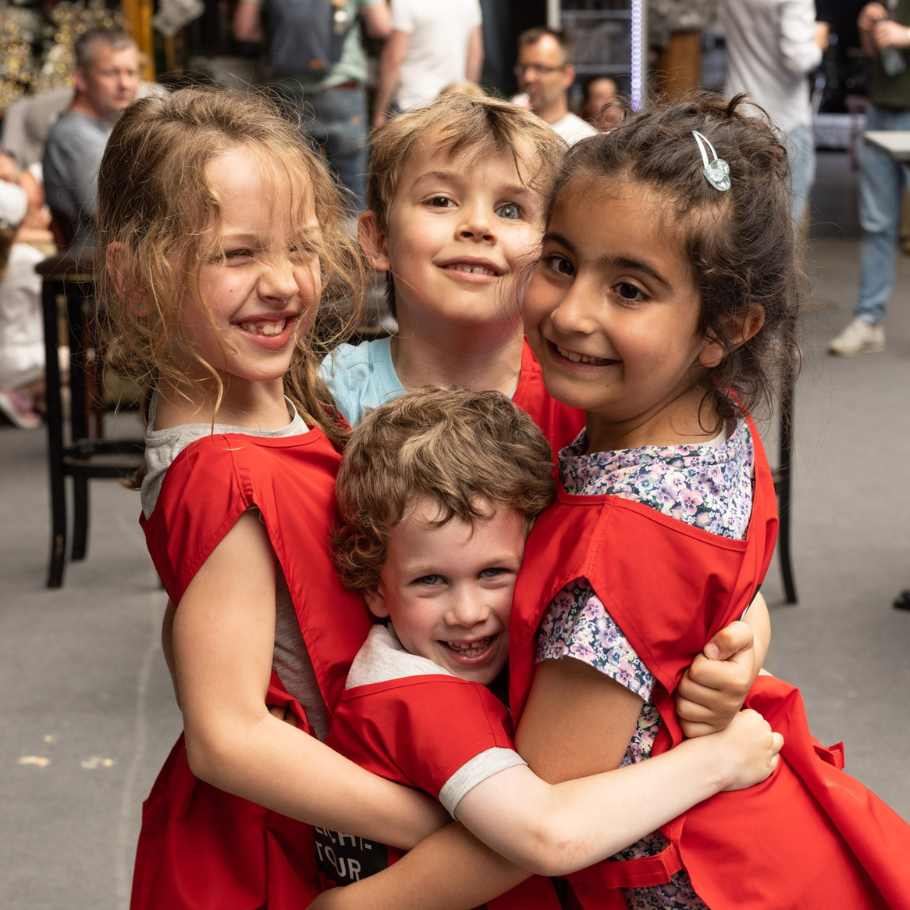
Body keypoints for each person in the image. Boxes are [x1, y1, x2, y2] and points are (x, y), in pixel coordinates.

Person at [311, 92, 910, 910]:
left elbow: (543, 822)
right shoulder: (711, 426)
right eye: (561, 263)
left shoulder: (611, 540)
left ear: (726, 328)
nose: (574, 310)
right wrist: (742, 628)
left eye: (629, 290)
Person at [97, 87, 449, 910]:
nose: (286, 283)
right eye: (235, 254)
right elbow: (229, 737)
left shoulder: (266, 404)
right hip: (280, 857)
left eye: (298, 248)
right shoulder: (225, 466)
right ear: (134, 279)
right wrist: (435, 827)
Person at [316, 386, 781, 904]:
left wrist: (751, 636)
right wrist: (720, 760)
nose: (468, 612)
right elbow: (551, 835)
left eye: (493, 573)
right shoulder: (420, 700)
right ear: (376, 589)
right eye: (430, 581)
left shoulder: (405, 666)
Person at [318, 92, 585, 454]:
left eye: (510, 210)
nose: (477, 225)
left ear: (552, 252)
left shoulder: (578, 395)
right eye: (441, 201)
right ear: (380, 239)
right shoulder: (333, 394)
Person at [233, 0, 392, 209]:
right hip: (341, 91)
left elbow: (244, 30)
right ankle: (353, 241)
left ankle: (301, 239)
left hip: (289, 94)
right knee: (351, 186)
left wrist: (285, 41)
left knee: (294, 187)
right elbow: (381, 27)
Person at [829, 0, 910, 356]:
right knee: (877, 223)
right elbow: (877, 53)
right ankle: (868, 320)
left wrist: (907, 35)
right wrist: (868, 29)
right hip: (882, 109)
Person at [721, 0, 829, 229]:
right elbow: (798, 59)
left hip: (739, 115)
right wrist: (818, 42)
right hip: (785, 124)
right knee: (783, 231)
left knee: (742, 230)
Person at [42, 27, 140, 252]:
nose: (124, 83)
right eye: (111, 73)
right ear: (81, 78)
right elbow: (112, 218)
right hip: (96, 271)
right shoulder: (75, 135)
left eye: (131, 72)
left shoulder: (101, 129)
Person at [370, 0, 484, 128]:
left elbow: (393, 59)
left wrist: (380, 112)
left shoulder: (404, 2)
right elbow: (475, 56)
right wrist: (467, 95)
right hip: (453, 105)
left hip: (412, 103)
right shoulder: (469, 2)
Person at [0, 180, 44, 428]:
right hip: (25, 359)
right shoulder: (28, 259)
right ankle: (21, 395)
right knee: (85, 360)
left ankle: (30, 397)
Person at [512, 27, 597, 145]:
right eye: (522, 68)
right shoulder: (509, 130)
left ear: (567, 75)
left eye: (540, 68)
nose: (528, 77)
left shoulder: (583, 139)